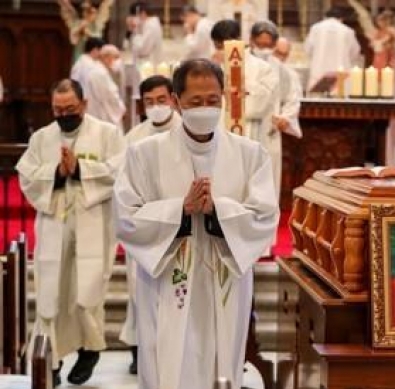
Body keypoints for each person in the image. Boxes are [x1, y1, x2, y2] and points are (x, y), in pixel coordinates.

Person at [113, 59, 279, 389]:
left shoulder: (250, 154)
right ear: (176, 102)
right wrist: (181, 211)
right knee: (166, 363)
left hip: (225, 278)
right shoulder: (143, 154)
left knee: (221, 358)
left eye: (212, 101)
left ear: (224, 99)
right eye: (195, 102)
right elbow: (126, 217)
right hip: (165, 280)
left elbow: (265, 217)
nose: (205, 108)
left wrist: (219, 210)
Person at [16, 79, 125, 387]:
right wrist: (56, 173)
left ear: (84, 105)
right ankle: (49, 359)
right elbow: (27, 177)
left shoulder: (107, 133)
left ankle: (90, 349)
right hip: (55, 222)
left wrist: (80, 169)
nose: (64, 115)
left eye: (70, 109)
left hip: (93, 220)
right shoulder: (42, 138)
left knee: (87, 292)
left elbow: (120, 169)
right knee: (51, 293)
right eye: (57, 110)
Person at [118, 75, 181, 375]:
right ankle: (140, 349)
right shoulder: (134, 137)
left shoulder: (188, 131)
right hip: (146, 225)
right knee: (139, 290)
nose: (155, 106)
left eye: (161, 100)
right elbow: (124, 183)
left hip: (181, 225)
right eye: (148, 102)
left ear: (173, 98)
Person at [249, 21, 302, 196]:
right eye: (260, 44)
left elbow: (292, 98)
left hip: (268, 129)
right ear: (251, 41)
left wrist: (285, 118)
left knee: (268, 177)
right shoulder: (237, 64)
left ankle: (267, 218)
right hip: (241, 127)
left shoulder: (282, 70)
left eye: (268, 45)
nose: (264, 49)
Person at [210, 19, 277, 140]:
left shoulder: (262, 67)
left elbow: (264, 102)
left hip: (249, 130)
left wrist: (240, 82)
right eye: (218, 46)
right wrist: (213, 69)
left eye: (226, 44)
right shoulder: (210, 66)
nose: (223, 50)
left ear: (238, 40)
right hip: (218, 131)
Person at [304, 7, 361, 91]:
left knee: (317, 101)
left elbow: (308, 49)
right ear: (341, 18)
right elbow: (355, 52)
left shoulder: (315, 28)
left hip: (318, 73)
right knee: (339, 101)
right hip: (341, 75)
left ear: (325, 17)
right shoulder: (347, 31)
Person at [85, 44, 126, 129]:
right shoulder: (99, 73)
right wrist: (122, 109)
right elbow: (110, 97)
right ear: (106, 57)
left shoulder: (100, 71)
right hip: (102, 116)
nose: (118, 61)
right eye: (116, 57)